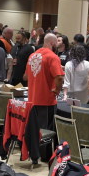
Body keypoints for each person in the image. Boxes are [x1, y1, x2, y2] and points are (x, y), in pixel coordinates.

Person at [25, 33, 64, 164]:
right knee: (45, 130)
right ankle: (44, 156)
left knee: (35, 129)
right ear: (52, 43)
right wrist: (57, 90)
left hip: (32, 99)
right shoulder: (52, 57)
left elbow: (26, 76)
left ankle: (34, 154)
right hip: (46, 100)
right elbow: (59, 77)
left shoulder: (32, 55)